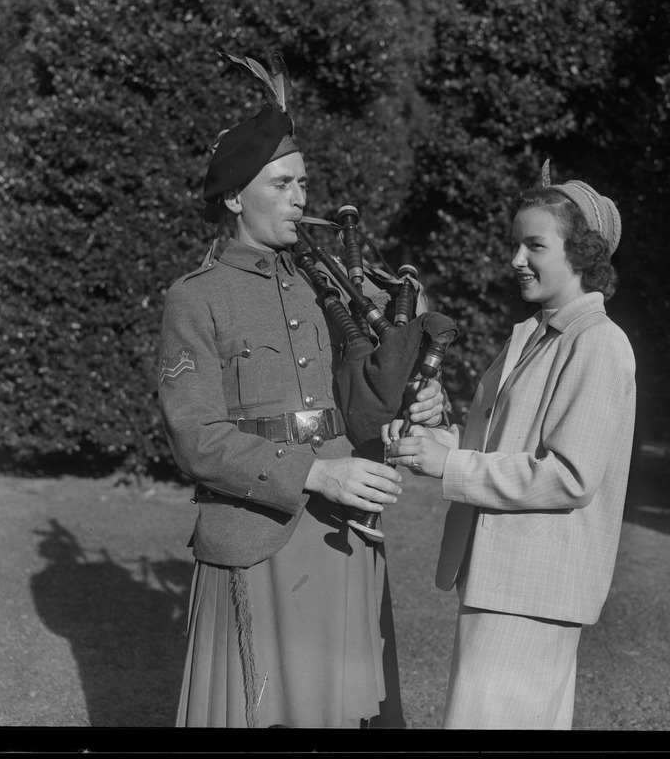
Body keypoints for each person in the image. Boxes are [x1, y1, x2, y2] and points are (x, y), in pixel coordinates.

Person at [158, 98, 445, 728]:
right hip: (256, 530)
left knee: (341, 715)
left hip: (342, 529)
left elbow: (387, 372)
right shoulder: (196, 298)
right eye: (281, 184)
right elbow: (196, 439)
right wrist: (315, 474)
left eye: (303, 183)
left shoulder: (333, 282)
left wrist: (426, 397)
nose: (298, 198)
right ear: (235, 197)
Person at [383, 162, 636, 729]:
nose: (516, 260)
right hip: (503, 579)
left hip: (534, 588)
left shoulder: (598, 344)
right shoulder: (534, 335)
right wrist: (435, 441)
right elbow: (501, 444)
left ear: (583, 253)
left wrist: (449, 465)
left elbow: (568, 476)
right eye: (515, 244)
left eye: (534, 246)